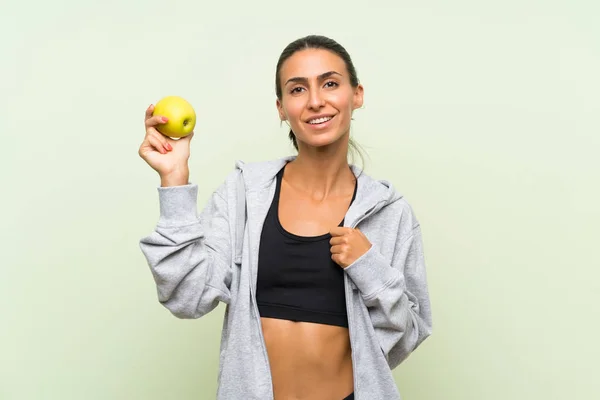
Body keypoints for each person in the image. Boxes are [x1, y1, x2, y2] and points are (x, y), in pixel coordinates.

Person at [138, 35, 432, 400]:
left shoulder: (390, 212)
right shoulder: (245, 193)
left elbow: (406, 336)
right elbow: (187, 296)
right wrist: (174, 179)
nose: (315, 101)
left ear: (356, 95)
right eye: (297, 89)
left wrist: (369, 267)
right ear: (281, 107)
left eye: (329, 83)